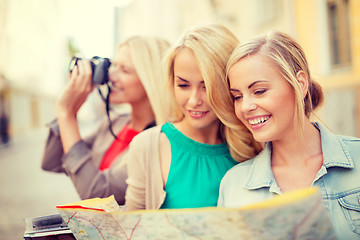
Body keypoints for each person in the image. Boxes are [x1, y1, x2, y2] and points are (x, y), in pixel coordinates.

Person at [216, 31, 360, 239]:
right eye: (237, 96)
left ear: (300, 84)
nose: (245, 107)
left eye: (259, 91)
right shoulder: (234, 185)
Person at [124, 24, 262, 211]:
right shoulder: (147, 146)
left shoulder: (256, 143)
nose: (194, 100)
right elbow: (131, 229)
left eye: (206, 86)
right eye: (183, 85)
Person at [41, 36, 171, 205]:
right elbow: (52, 162)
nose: (111, 76)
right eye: (113, 65)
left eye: (124, 70)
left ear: (151, 78)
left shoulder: (161, 141)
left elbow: (97, 193)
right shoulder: (114, 123)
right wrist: (71, 110)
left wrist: (65, 113)